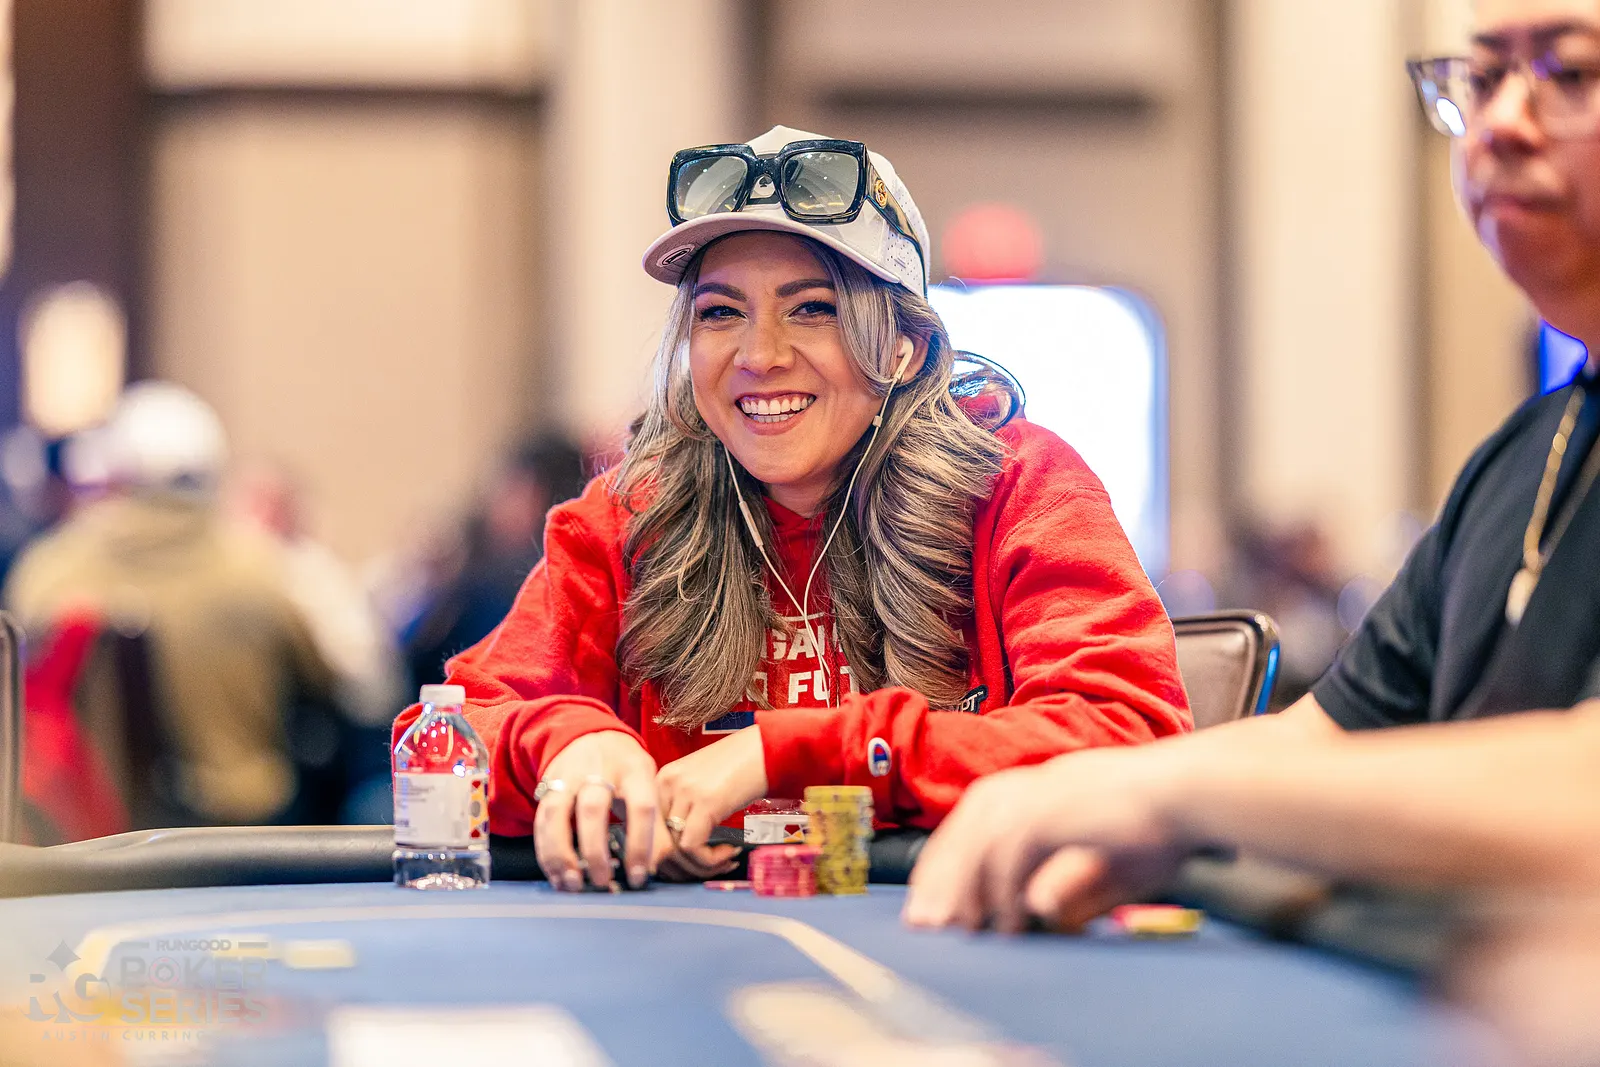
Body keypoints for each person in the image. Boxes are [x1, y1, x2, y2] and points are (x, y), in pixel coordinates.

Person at [903, 0, 1600, 935]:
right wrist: (1091, 790)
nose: (1502, 123)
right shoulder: (1523, 459)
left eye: (1569, 73)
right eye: (1483, 78)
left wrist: (1165, 795)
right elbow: (1326, 736)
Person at [392, 125, 1190, 892]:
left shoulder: (1018, 485)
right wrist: (569, 745)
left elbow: (1131, 738)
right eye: (719, 312)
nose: (759, 355)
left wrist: (790, 753)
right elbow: (447, 732)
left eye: (812, 308)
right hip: (687, 958)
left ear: (903, 346)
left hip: (959, 934)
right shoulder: (630, 518)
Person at [4, 382, 336, 827]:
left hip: (96, 838)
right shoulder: (259, 568)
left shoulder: (48, 570)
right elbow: (322, 682)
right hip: (244, 832)